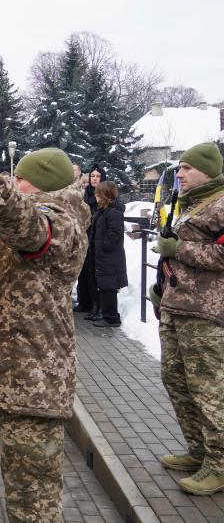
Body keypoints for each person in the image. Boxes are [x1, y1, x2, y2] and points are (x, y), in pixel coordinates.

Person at [0, 148, 90, 522]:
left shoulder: (60, 224)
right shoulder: (30, 217)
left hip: (33, 380)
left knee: (34, 494)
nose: (14, 182)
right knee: (23, 482)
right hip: (16, 377)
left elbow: (27, 227)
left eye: (19, 178)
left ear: (39, 184)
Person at [150, 142, 224, 496]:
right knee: (176, 381)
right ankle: (198, 451)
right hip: (177, 306)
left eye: (187, 169)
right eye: (179, 169)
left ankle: (220, 464)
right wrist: (161, 286)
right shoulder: (190, 204)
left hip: (205, 313)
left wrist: (178, 248)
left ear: (208, 171)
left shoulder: (221, 204)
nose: (179, 174)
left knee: (208, 389)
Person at [91, 181, 127, 328]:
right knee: (104, 286)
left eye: (98, 193)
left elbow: (115, 232)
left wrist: (105, 246)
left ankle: (112, 317)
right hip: (104, 256)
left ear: (104, 195)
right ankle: (107, 314)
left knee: (108, 287)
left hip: (109, 257)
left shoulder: (114, 212)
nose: (95, 196)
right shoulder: (103, 211)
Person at [75, 165, 107, 317]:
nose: (94, 179)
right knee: (83, 272)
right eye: (92, 176)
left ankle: (96, 306)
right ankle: (84, 302)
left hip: (97, 238)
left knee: (94, 273)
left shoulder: (104, 195)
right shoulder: (86, 194)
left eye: (97, 176)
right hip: (84, 236)